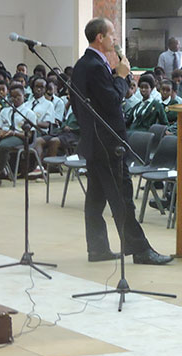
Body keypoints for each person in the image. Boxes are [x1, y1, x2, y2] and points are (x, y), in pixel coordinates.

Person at [70, 17, 172, 265]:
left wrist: (119, 77)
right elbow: (111, 100)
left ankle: (97, 248)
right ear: (100, 38)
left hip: (95, 142)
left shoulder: (83, 64)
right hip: (107, 144)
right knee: (122, 198)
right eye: (112, 34)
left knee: (95, 198)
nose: (115, 39)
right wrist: (121, 76)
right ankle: (140, 250)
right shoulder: (94, 66)